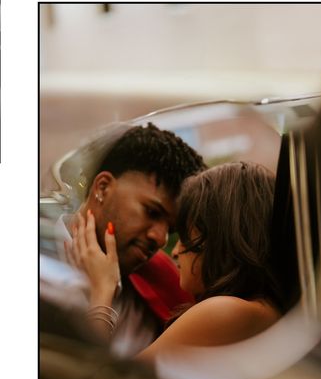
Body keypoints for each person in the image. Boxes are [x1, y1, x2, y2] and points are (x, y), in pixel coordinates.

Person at [67, 161, 283, 364]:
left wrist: (103, 289)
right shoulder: (263, 309)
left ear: (220, 239)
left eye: (185, 236)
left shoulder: (225, 311)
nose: (176, 250)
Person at [56, 122, 206, 356]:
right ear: (103, 188)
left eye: (171, 228)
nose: (160, 238)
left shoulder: (163, 283)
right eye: (152, 212)